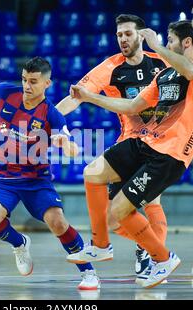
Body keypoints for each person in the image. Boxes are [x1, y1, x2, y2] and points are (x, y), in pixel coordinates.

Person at [69, 20, 193, 288]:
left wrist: (156, 45)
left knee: (122, 210)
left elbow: (192, 72)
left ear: (186, 43)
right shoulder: (163, 75)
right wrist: (90, 97)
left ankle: (161, 258)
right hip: (144, 141)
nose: (163, 47)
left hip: (170, 155)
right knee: (93, 173)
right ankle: (101, 245)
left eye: (169, 41)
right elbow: (132, 105)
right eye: (165, 41)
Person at [0, 56, 100, 290]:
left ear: (47, 83)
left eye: (33, 81)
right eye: (24, 79)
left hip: (36, 181)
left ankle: (89, 272)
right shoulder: (6, 93)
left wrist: (66, 144)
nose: (26, 85)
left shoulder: (51, 114)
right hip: (3, 178)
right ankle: (20, 244)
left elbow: (74, 148)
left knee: (58, 222)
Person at [56, 14, 169, 281]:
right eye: (119, 35)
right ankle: (146, 246)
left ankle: (157, 259)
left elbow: (190, 71)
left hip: (161, 143)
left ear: (141, 36)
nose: (123, 40)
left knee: (152, 199)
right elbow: (76, 98)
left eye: (128, 34)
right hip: (129, 141)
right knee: (111, 220)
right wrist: (48, 120)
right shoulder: (111, 67)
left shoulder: (162, 62)